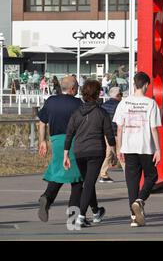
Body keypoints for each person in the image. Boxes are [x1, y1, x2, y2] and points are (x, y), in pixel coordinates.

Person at [37, 76, 102, 224]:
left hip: (56, 140)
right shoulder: (78, 104)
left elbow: (42, 122)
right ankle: (73, 217)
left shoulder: (51, 101)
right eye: (77, 87)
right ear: (72, 89)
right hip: (73, 141)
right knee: (77, 180)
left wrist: (42, 141)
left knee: (58, 173)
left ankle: (47, 197)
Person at [63, 80, 116, 228]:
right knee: (89, 183)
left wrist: (66, 154)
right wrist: (113, 151)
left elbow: (69, 134)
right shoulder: (102, 112)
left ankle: (96, 211)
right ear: (98, 93)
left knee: (88, 181)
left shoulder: (76, 113)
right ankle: (80, 216)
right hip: (96, 151)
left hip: (79, 151)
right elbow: (109, 134)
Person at [113, 72, 161, 227]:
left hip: (128, 146)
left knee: (132, 182)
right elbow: (154, 128)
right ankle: (140, 201)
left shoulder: (123, 103)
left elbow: (119, 128)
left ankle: (134, 217)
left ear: (134, 84)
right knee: (152, 175)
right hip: (145, 146)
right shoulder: (150, 103)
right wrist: (158, 149)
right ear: (146, 85)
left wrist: (119, 148)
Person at [99, 87, 123, 183]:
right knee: (121, 154)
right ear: (118, 95)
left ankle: (103, 174)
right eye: (121, 95)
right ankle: (129, 174)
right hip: (117, 133)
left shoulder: (104, 105)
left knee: (108, 154)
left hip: (107, 134)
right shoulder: (120, 105)